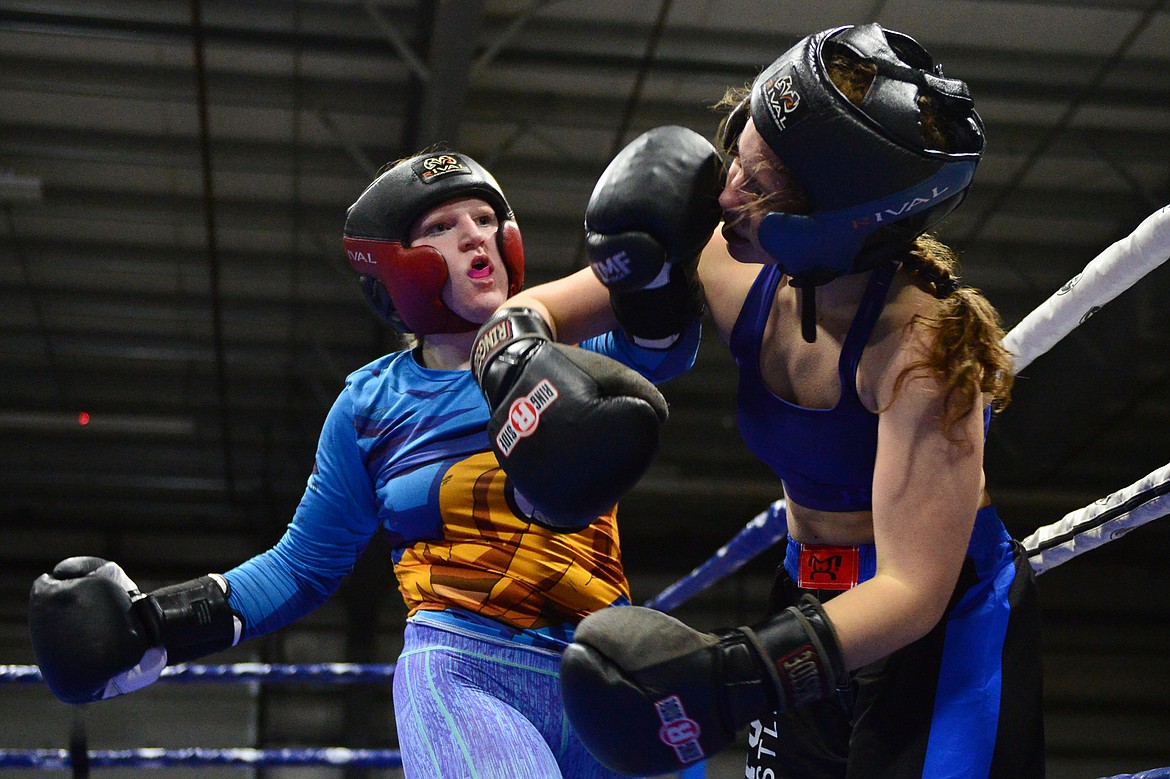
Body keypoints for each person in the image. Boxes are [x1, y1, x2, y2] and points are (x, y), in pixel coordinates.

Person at [26, 148, 718, 779]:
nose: (476, 235)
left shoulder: (575, 340)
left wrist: (655, 244)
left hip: (611, 665)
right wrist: (160, 624)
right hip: (469, 667)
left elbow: (665, 347)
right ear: (392, 266)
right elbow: (302, 564)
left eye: (485, 217)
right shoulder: (371, 405)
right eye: (443, 227)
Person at [529, 23, 1045, 779]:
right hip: (810, 589)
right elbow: (547, 308)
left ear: (837, 214)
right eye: (740, 153)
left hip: (937, 626)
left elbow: (911, 590)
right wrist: (513, 348)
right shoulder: (728, 259)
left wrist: (735, 668)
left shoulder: (923, 351)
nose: (728, 191)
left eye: (760, 183)